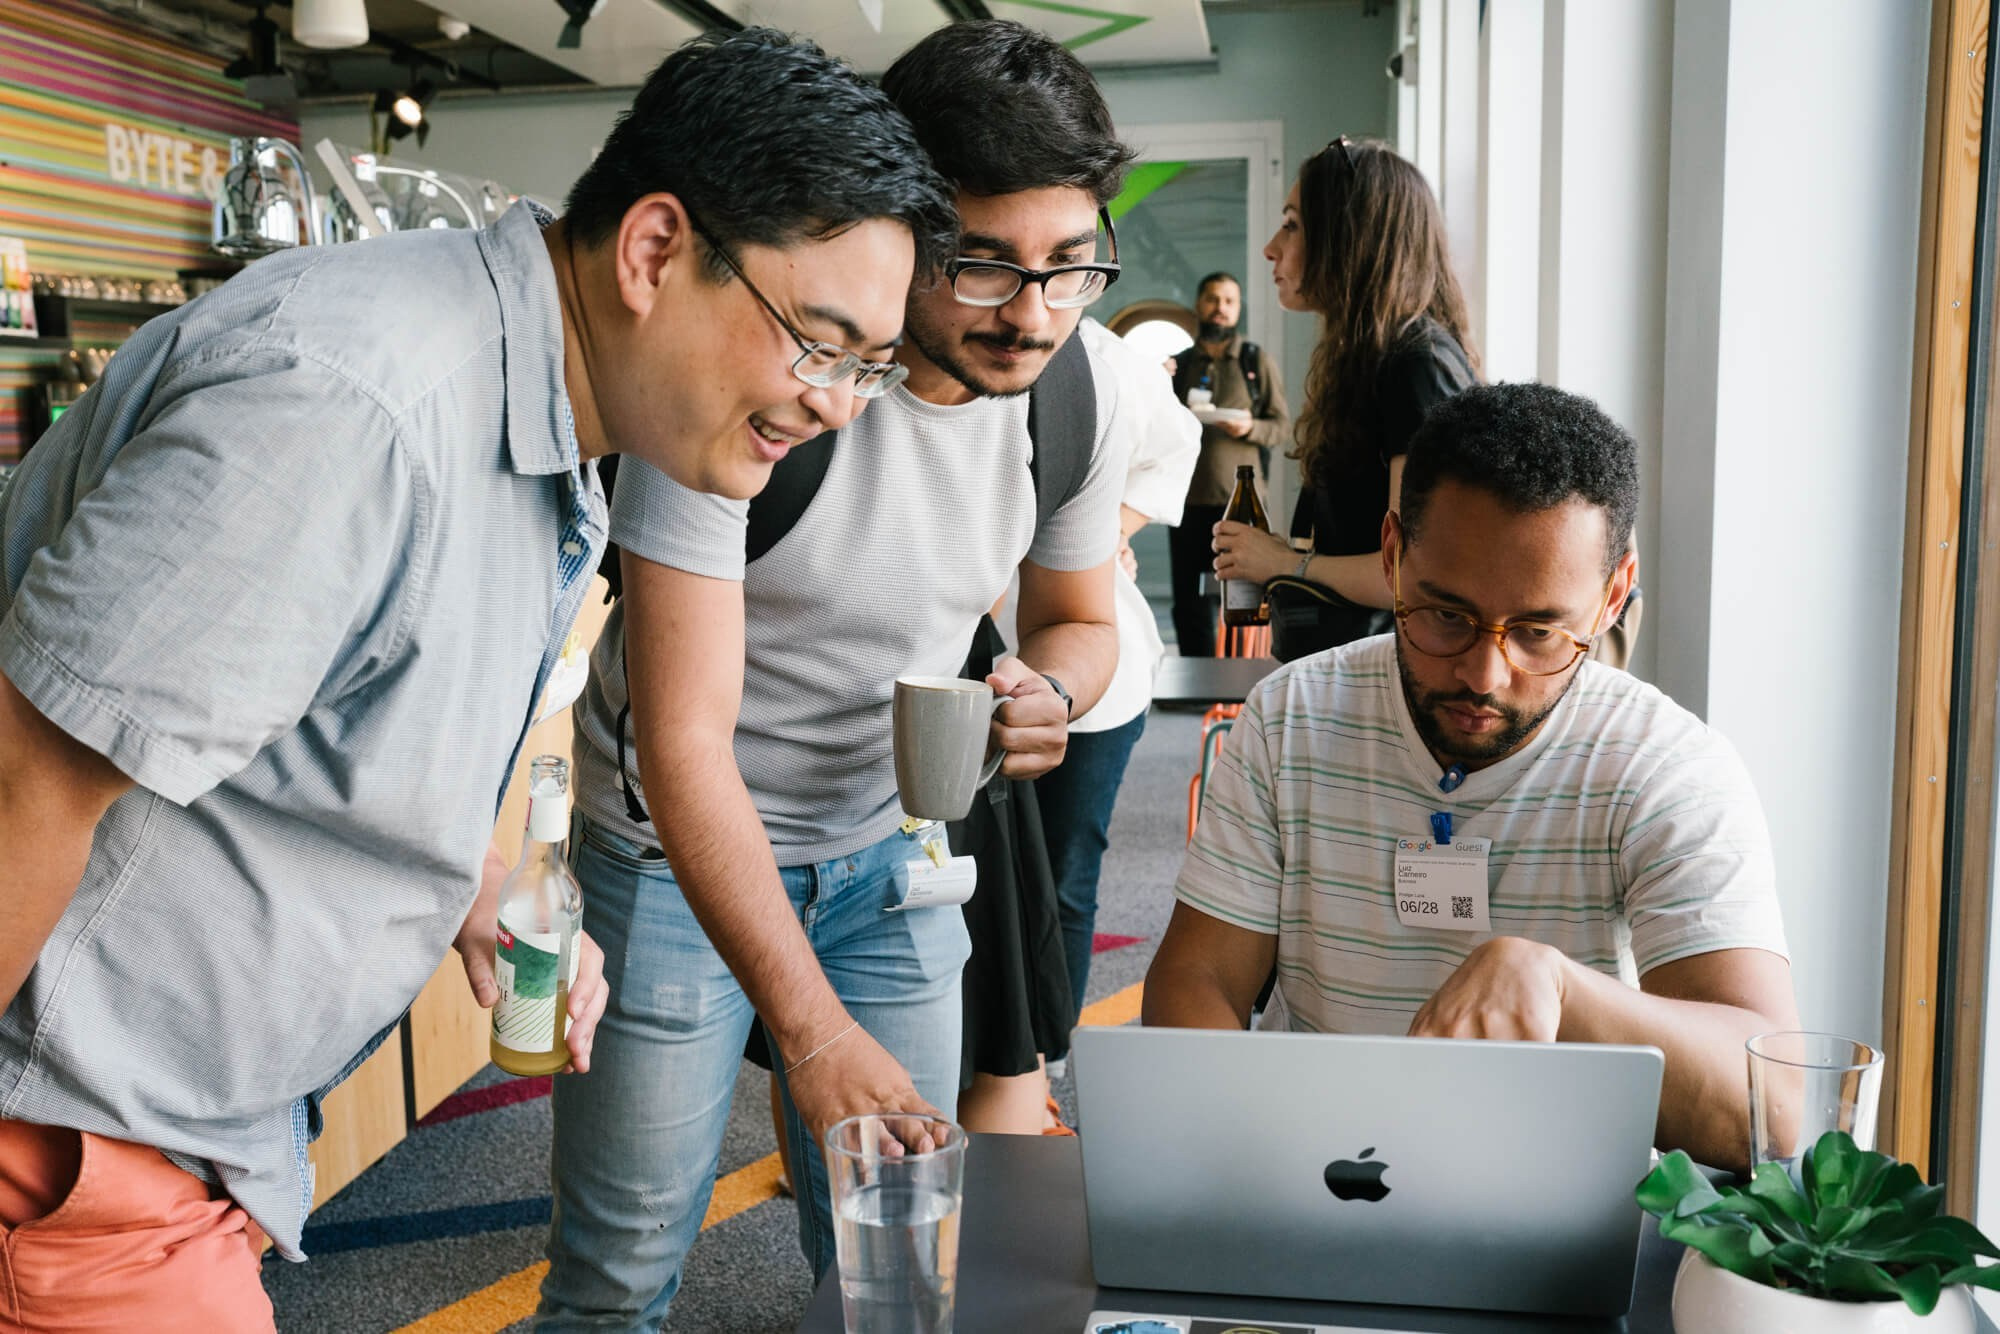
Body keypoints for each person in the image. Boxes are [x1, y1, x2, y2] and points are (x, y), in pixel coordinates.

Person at [0, 29, 952, 1330]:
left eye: (868, 366)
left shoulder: (553, 418)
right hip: (70, 1161)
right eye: (818, 343)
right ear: (655, 251)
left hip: (180, 1146)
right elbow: (21, 787)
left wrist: (456, 885)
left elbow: (323, 700)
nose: (838, 403)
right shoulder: (350, 408)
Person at [540, 19, 1131, 1325]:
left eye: (1069, 269)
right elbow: (683, 745)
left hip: (889, 855)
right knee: (621, 1274)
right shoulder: (757, 387)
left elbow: (1084, 617)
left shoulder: (1072, 391)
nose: (1031, 314)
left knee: (902, 1259)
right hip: (671, 856)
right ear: (899, 225)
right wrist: (807, 1035)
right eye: (984, 266)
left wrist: (1052, 692)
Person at [1145, 382, 1797, 1172]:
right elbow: (1197, 977)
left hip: (1565, 1210)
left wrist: (1559, 990)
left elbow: (1771, 1111)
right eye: (1446, 616)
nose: (1485, 675)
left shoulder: (1667, 768)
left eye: (1537, 630)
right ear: (1392, 556)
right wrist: (1263, 1151)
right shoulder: (1291, 719)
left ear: (1612, 597)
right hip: (1317, 1172)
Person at [1003, 319, 1200, 1031]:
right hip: (948, 665)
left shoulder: (1102, 361)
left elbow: (1180, 445)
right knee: (958, 882)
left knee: (1063, 873)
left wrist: (1107, 529)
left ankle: (1046, 1053)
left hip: (1092, 677)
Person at [1211, 137, 1477, 656]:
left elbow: (1413, 574)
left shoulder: (1416, 366)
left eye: (1291, 224)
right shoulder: (1377, 358)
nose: (1271, 247)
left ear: (1348, 238)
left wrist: (1283, 563)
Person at [1165, 272, 1290, 656]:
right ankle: (1193, 679)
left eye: (1229, 301)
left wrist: (1250, 426)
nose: (1220, 308)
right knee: (1189, 595)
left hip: (1243, 506)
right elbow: (1156, 429)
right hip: (1185, 501)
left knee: (1244, 593)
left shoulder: (1255, 362)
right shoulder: (1179, 365)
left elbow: (1281, 426)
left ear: (1238, 310)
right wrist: (1156, 384)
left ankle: (1242, 679)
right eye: (1213, 299)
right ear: (1198, 305)